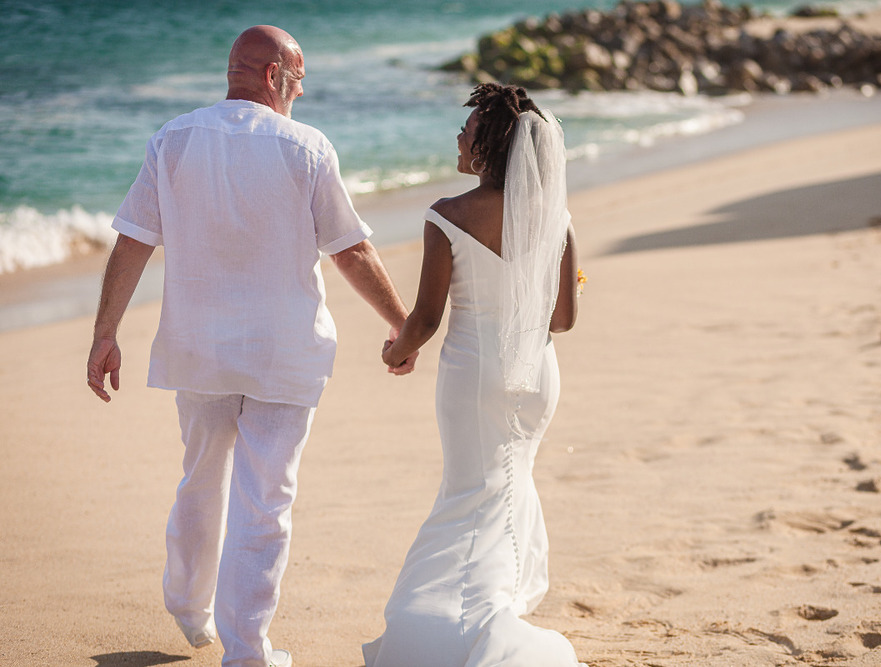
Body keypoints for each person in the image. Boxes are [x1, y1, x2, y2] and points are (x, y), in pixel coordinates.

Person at [86, 25, 414, 667]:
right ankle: (248, 652)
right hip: (282, 352)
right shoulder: (308, 147)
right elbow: (350, 249)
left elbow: (133, 240)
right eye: (298, 81)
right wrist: (403, 324)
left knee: (200, 478)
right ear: (273, 77)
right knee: (267, 500)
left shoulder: (174, 138)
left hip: (198, 348)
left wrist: (106, 333)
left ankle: (188, 607)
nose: (300, 93)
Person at [364, 83, 584, 666]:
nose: (458, 137)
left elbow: (428, 318)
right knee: (508, 486)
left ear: (487, 147)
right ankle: (496, 606)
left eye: (467, 131)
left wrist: (394, 352)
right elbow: (562, 319)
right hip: (536, 376)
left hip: (472, 376)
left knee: (468, 493)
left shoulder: (448, 215)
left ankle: (453, 631)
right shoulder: (555, 216)